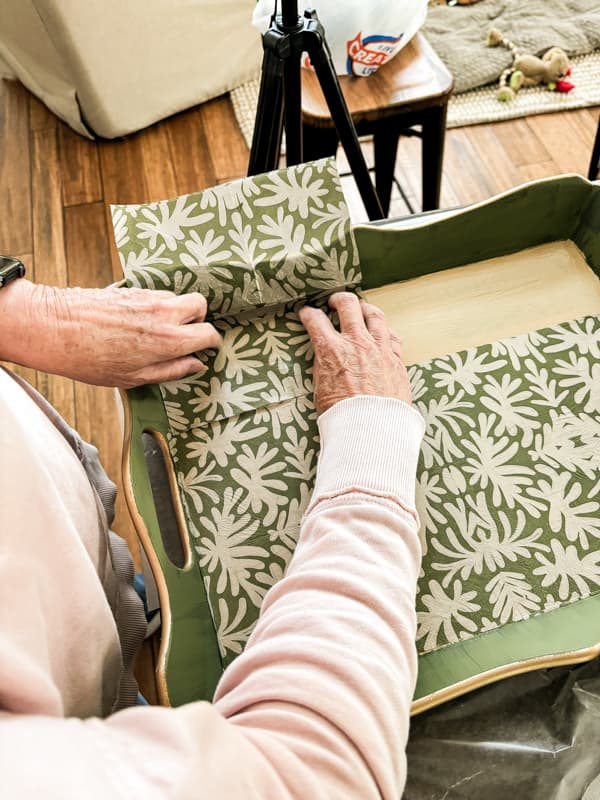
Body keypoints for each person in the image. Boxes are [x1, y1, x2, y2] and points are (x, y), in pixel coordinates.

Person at [0, 277, 424, 799]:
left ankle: (126, 607)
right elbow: (311, 771)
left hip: (66, 578)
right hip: (71, 697)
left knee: (115, 600)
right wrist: (372, 433)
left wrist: (19, 314)